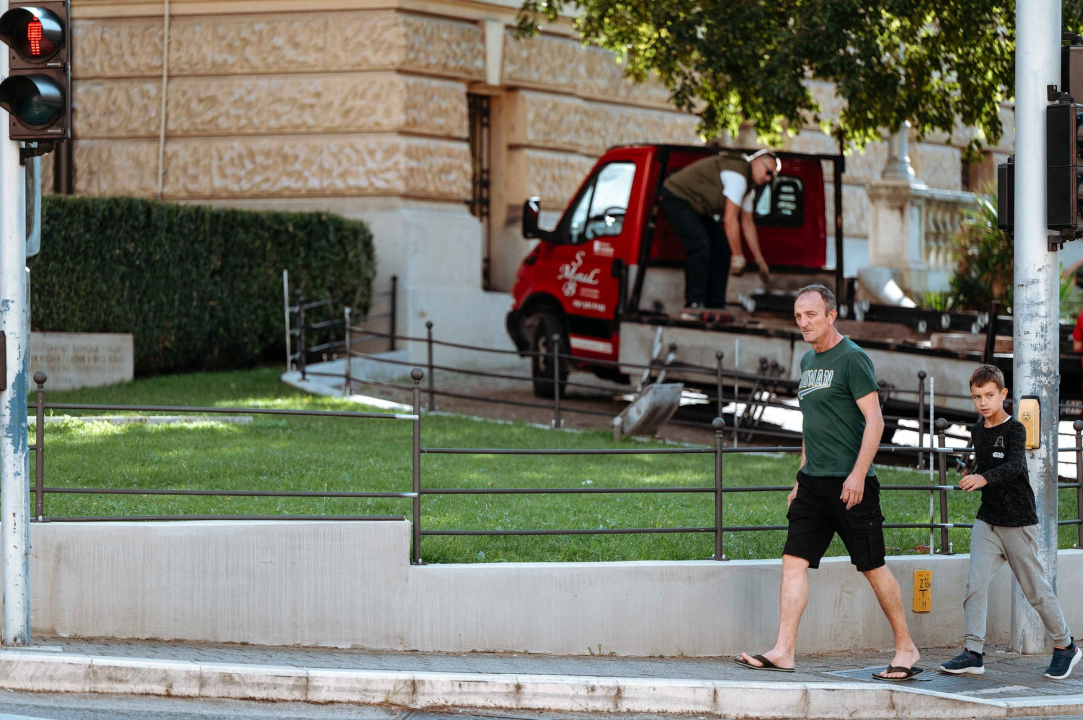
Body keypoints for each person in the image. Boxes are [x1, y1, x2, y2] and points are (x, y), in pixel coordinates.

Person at [736, 284, 922, 681]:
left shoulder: (853, 359)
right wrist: (798, 478)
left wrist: (857, 475)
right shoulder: (806, 362)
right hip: (813, 483)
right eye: (799, 316)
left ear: (831, 315)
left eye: (811, 315)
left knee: (872, 567)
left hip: (851, 483)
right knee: (793, 562)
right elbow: (811, 425)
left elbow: (876, 420)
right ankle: (784, 650)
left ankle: (906, 647)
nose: (803, 322)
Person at [939, 365, 1080, 679]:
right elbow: (985, 464)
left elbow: (1015, 466)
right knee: (974, 586)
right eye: (977, 396)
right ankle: (973, 652)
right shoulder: (978, 430)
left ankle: (1065, 645)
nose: (983, 402)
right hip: (988, 521)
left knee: (1035, 591)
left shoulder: (1015, 429)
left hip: (1018, 522)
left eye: (989, 395)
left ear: (1003, 394)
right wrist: (971, 474)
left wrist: (983, 478)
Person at [658, 149, 777, 317]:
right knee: (701, 245)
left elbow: (747, 223)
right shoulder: (739, 176)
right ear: (757, 162)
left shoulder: (749, 187)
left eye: (772, 176)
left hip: (695, 206)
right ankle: (694, 305)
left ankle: (715, 305)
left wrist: (759, 259)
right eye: (768, 172)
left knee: (721, 246)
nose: (768, 178)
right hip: (675, 197)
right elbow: (730, 219)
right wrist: (738, 256)